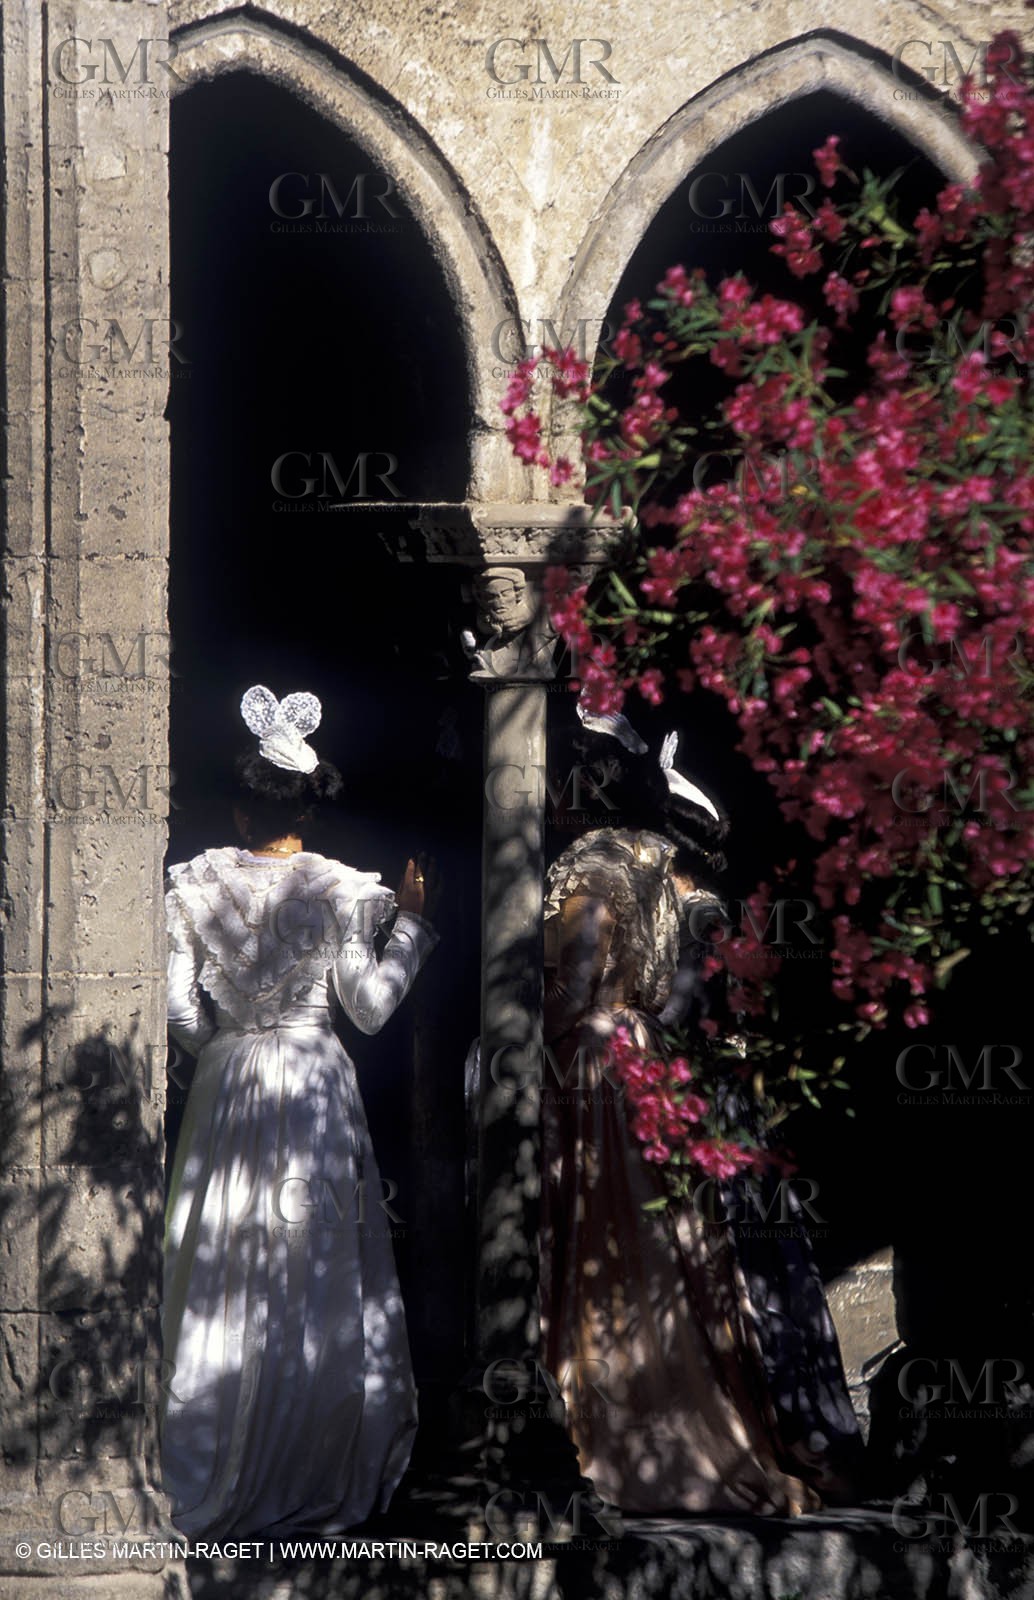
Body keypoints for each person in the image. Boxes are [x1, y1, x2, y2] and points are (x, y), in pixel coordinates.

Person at [540, 704, 862, 1515]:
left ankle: (608, 1422)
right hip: (647, 1062)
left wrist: (526, 1025)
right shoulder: (659, 869)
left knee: (607, 1237)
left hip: (599, 1064)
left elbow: (575, 985)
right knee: (660, 1247)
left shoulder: (594, 869)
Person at [160, 685, 438, 1537]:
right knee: (310, 1272)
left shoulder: (193, 884)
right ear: (305, 808)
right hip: (315, 1083)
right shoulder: (346, 890)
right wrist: (413, 930)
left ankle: (200, 1457)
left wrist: (224, 1045)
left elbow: (179, 1013)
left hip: (228, 1085)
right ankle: (306, 1459)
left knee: (216, 1257)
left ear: (244, 809)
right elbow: (370, 1009)